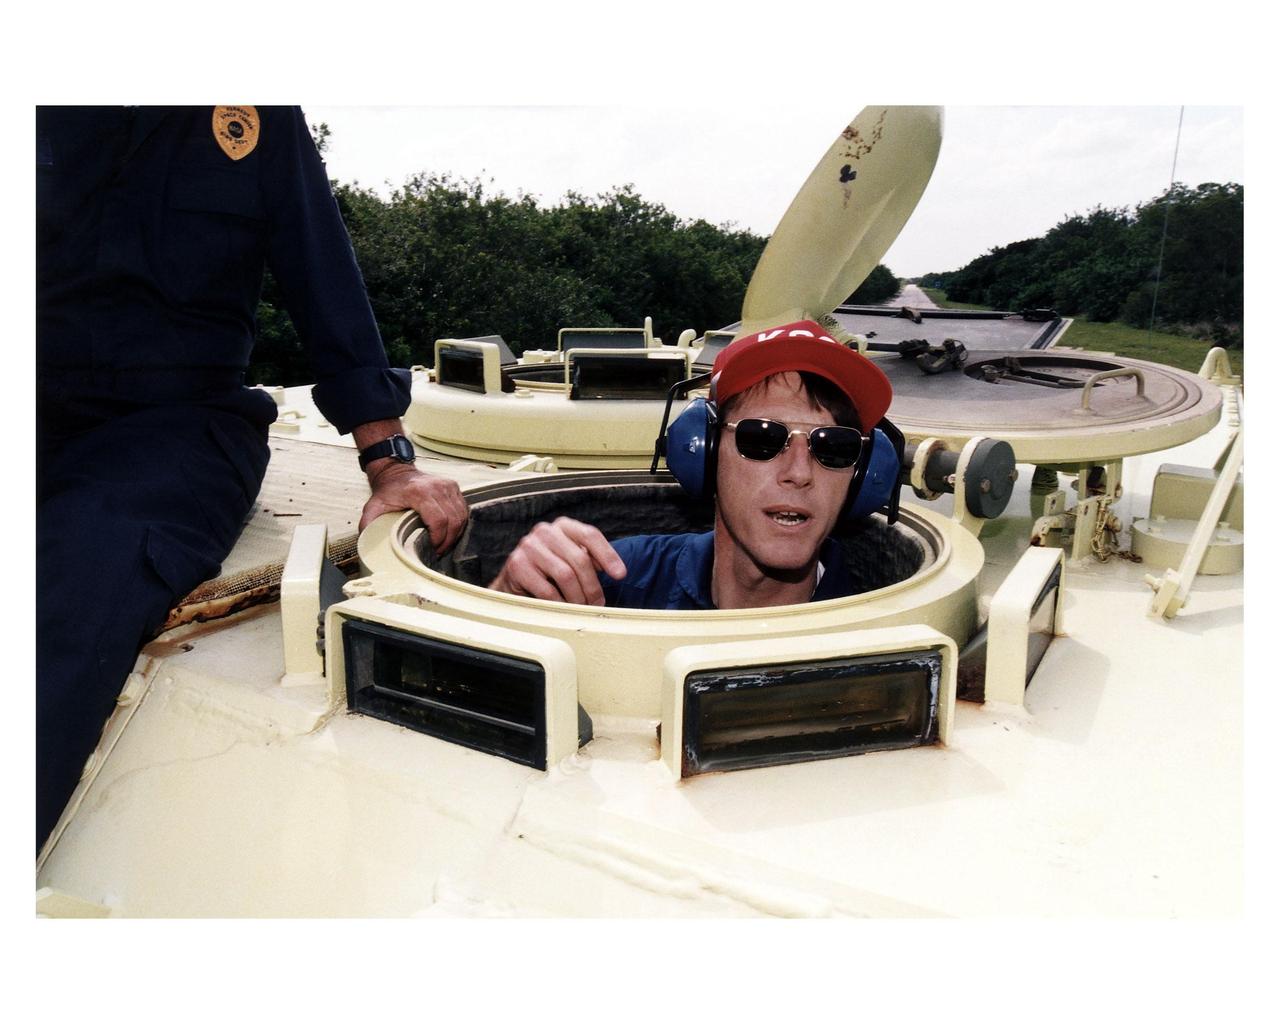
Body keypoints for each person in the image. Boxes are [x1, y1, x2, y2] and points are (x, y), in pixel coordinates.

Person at [36, 106, 468, 851]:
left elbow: (319, 267)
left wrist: (387, 458)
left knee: (84, 572)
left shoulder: (252, 111)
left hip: (175, 422)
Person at [488, 319, 892, 610]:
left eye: (833, 447)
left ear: (861, 475)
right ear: (705, 452)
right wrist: (511, 596)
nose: (800, 473)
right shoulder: (621, 577)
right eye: (763, 438)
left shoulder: (885, 626)